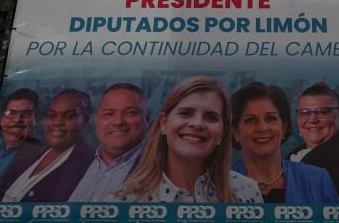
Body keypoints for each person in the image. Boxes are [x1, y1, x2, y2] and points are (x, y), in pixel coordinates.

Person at [112, 76, 262, 203]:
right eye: (186, 113)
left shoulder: (247, 192)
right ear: (164, 123)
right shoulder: (122, 201)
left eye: (211, 117)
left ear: (222, 133)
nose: (197, 124)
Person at [230, 82, 339, 204]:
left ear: (284, 127)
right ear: (235, 131)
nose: (262, 128)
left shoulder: (318, 180)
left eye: (271, 118)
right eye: (250, 120)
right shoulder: (218, 183)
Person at [0, 89, 94, 201]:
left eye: (69, 116)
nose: (57, 122)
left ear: (85, 122)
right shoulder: (24, 162)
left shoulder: (90, 167)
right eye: (52, 115)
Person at [69, 83, 150, 201]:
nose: (118, 122)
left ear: (146, 119)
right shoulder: (73, 166)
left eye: (130, 112)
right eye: (108, 114)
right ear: (96, 122)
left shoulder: (161, 168)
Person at [0, 88, 42, 201]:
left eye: (26, 114)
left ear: (35, 119)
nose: (18, 119)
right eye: (11, 113)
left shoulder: (43, 156)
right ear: (1, 119)